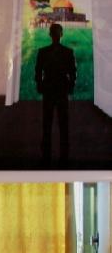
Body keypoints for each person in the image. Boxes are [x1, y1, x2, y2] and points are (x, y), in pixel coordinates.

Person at [35, 23, 77, 163]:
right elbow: (73, 72)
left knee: (47, 123)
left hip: (48, 90)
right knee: (63, 123)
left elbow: (38, 71)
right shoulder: (68, 52)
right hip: (62, 90)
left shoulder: (43, 52)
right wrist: (70, 86)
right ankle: (64, 155)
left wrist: (40, 85)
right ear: (61, 35)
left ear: (50, 35)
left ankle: (46, 155)